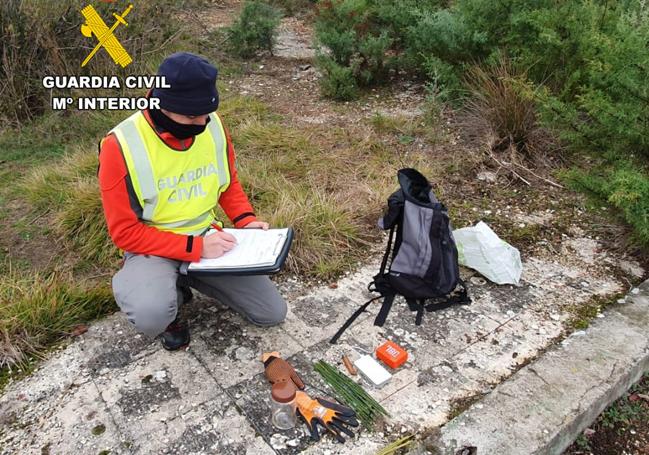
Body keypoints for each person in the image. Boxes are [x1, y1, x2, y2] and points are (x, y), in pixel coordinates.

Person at [98, 52, 287, 350]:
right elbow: (124, 233)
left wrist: (245, 220)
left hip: (207, 236)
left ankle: (186, 278)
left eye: (206, 114)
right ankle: (167, 301)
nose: (201, 123)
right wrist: (195, 249)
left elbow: (227, 182)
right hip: (152, 247)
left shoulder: (211, 124)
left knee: (271, 313)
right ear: (163, 106)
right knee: (151, 313)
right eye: (191, 116)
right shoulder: (119, 145)